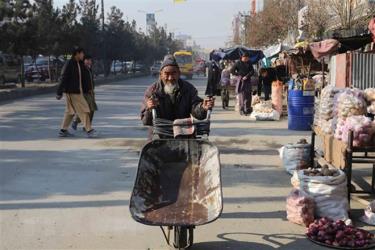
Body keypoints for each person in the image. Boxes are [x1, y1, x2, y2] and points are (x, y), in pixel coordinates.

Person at [141, 55, 214, 134]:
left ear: (179, 73)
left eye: (173, 73)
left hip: (184, 132)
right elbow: (146, 121)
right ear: (161, 74)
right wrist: (149, 108)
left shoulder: (188, 89)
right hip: (161, 133)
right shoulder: (152, 91)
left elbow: (196, 111)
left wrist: (203, 107)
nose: (170, 78)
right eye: (167, 74)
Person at [56, 46, 98, 138]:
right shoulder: (70, 64)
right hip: (72, 92)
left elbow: (86, 75)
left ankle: (63, 130)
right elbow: (63, 78)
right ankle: (89, 130)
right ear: (77, 54)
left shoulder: (79, 64)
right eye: (82, 53)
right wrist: (59, 92)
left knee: (70, 112)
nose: (83, 55)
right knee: (84, 109)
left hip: (77, 91)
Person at [71, 55, 98, 130]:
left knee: (92, 110)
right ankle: (76, 121)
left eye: (90, 60)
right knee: (86, 109)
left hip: (91, 92)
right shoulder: (81, 69)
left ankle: (86, 125)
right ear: (84, 60)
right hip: (84, 92)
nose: (90, 62)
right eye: (88, 60)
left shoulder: (89, 69)